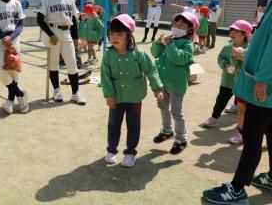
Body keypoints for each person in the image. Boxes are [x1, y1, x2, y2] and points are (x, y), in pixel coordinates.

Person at [203, 0, 272, 204]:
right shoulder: (270, 5)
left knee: (252, 137)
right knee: (270, 133)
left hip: (264, 86)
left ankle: (237, 189)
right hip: (264, 82)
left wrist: (263, 77)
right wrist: (248, 53)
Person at [101, 14, 164, 167]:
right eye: (111, 33)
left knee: (133, 126)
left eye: (119, 34)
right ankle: (112, 150)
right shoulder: (108, 55)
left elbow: (151, 70)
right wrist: (108, 95)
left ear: (129, 35)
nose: (114, 37)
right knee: (113, 125)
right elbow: (105, 76)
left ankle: (130, 153)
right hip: (116, 98)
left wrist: (157, 88)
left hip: (135, 98)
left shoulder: (139, 54)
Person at [150, 12, 198, 154]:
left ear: (189, 29)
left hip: (177, 84)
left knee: (177, 113)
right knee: (163, 107)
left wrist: (170, 45)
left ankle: (181, 139)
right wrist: (158, 43)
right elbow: (155, 53)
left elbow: (179, 59)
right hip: (163, 82)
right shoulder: (170, 39)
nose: (177, 27)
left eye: (181, 25)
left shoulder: (187, 44)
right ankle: (166, 130)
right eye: (175, 24)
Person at [37, 0, 86, 105]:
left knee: (72, 63)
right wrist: (50, 34)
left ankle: (75, 93)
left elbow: (74, 19)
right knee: (53, 64)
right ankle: (57, 90)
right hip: (52, 31)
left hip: (67, 32)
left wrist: (81, 17)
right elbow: (40, 19)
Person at [199, 20, 251, 133]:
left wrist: (238, 69)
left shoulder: (249, 49)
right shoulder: (227, 47)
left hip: (242, 81)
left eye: (236, 32)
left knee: (242, 101)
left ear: (244, 34)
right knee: (221, 99)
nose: (232, 34)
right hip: (227, 80)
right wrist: (225, 65)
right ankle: (214, 117)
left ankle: (239, 117)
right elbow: (220, 58)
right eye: (231, 31)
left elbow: (251, 64)